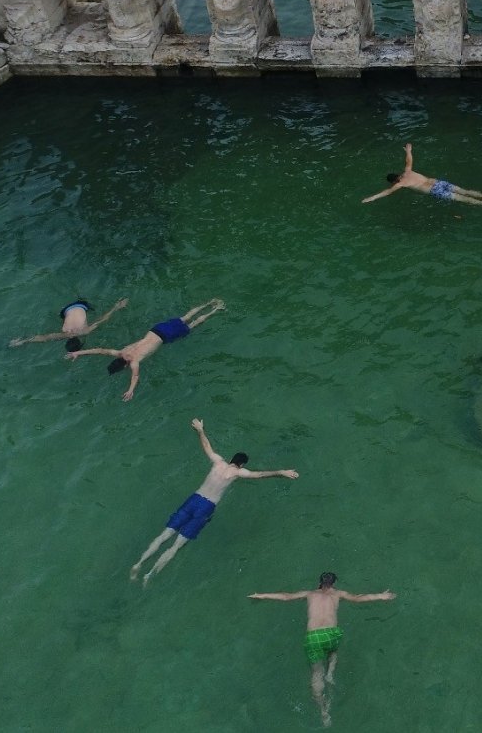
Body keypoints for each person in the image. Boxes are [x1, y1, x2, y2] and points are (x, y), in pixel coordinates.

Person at [131, 418, 299, 585]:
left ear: (231, 459)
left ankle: (138, 564)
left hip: (194, 499)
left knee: (164, 535)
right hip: (206, 506)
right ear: (241, 465)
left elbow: (207, 446)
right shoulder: (237, 473)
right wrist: (281, 472)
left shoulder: (218, 462)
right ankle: (149, 574)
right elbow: (260, 475)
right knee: (175, 546)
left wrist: (200, 430)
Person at [248, 573, 397, 727]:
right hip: (332, 633)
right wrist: (381, 596)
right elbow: (358, 598)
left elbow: (286, 596)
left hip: (314, 637)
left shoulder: (309, 593)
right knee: (333, 651)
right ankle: (330, 674)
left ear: (320, 582)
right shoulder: (339, 593)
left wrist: (261, 595)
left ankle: (323, 711)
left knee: (316, 672)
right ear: (334, 584)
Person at [65, 298, 224, 401]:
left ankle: (215, 310)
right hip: (155, 330)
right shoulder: (120, 352)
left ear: (124, 366)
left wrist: (130, 391)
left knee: (192, 325)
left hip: (165, 337)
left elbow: (135, 377)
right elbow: (99, 350)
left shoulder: (134, 362)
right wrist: (77, 353)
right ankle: (210, 302)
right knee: (184, 317)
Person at [361, 143, 482, 207]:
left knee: (460, 198)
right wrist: (408, 150)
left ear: (394, 181)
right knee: (464, 191)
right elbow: (409, 160)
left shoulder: (400, 184)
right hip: (437, 182)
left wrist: (372, 198)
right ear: (398, 174)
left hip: (433, 190)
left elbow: (387, 192)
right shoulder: (407, 171)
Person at [8, 297, 128, 353]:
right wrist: (116, 307)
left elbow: (43, 337)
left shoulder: (82, 332)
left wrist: (23, 341)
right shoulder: (65, 334)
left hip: (80, 306)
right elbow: (103, 318)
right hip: (66, 310)